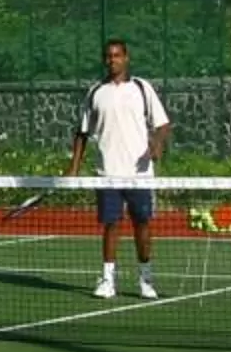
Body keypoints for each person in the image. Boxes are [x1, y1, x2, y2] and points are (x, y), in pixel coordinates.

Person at [64, 37, 173, 299]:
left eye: (117, 56)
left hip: (139, 174)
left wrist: (157, 144)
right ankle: (107, 280)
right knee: (111, 225)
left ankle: (146, 280)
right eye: (108, 56)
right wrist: (74, 167)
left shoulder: (142, 88)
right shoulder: (95, 92)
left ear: (126, 58)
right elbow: (82, 132)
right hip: (107, 174)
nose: (112, 60)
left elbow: (162, 125)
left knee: (142, 224)